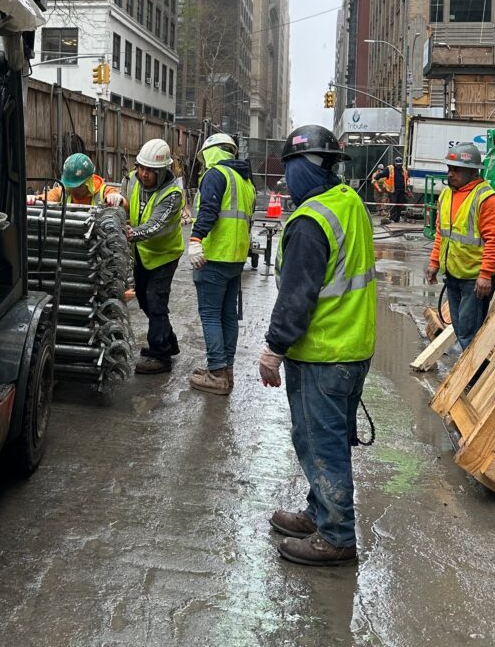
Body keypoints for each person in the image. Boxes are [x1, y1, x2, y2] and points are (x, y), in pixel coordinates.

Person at [258, 124, 376, 568]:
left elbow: (297, 297)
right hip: (352, 349)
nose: (286, 181)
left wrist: (273, 348)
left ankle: (337, 535)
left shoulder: (310, 222)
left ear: (305, 169)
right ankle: (319, 511)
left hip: (323, 355)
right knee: (328, 440)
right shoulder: (349, 204)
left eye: (289, 170)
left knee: (319, 442)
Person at [188, 132, 256, 395]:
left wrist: (195, 239)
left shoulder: (216, 175)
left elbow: (208, 211)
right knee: (228, 315)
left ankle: (216, 373)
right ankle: (226, 371)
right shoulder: (244, 181)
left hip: (214, 257)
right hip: (236, 258)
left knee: (210, 314)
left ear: (211, 152)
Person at [426, 143, 495, 350]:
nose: (450, 174)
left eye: (456, 169)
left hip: (474, 279)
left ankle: (472, 379)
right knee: (461, 327)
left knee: (470, 333)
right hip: (453, 273)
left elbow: (494, 241)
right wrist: (434, 262)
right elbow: (441, 234)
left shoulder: (487, 199)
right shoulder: (446, 194)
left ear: (473, 170)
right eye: (449, 169)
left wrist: (485, 274)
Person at [120, 139, 185, 376]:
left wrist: (129, 233)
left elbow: (155, 225)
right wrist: (116, 201)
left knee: (155, 301)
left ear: (162, 170)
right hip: (143, 253)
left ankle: (161, 356)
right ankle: (168, 342)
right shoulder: (131, 179)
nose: (143, 174)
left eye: (149, 170)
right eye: (141, 167)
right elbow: (121, 198)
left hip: (164, 255)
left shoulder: (172, 194)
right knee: (145, 300)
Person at [34, 153, 121, 206]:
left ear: (88, 182)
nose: (73, 190)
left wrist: (115, 197)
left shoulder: (104, 192)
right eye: (70, 186)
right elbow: (47, 197)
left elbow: (124, 203)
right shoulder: (64, 191)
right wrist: (34, 199)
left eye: (77, 187)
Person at [372, 157, 409, 222]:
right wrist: (375, 178)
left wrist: (407, 187)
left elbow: (406, 178)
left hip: (402, 190)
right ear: (395, 162)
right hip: (393, 190)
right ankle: (392, 218)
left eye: (400, 164)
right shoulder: (390, 168)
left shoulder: (403, 169)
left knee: (399, 205)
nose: (398, 165)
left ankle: (397, 218)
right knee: (393, 204)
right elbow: (382, 174)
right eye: (397, 164)